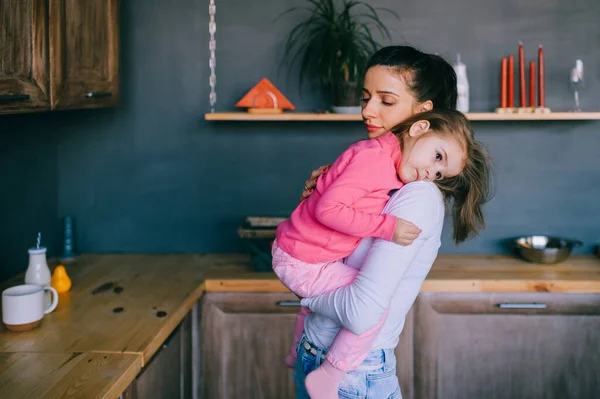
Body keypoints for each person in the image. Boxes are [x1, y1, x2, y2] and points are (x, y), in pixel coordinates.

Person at [273, 46, 492, 399]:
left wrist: (305, 290)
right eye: (366, 97)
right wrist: (329, 185)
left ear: (423, 115)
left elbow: (362, 312)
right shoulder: (386, 169)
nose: (367, 110)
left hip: (352, 373)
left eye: (386, 101)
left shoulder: (417, 194)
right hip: (318, 353)